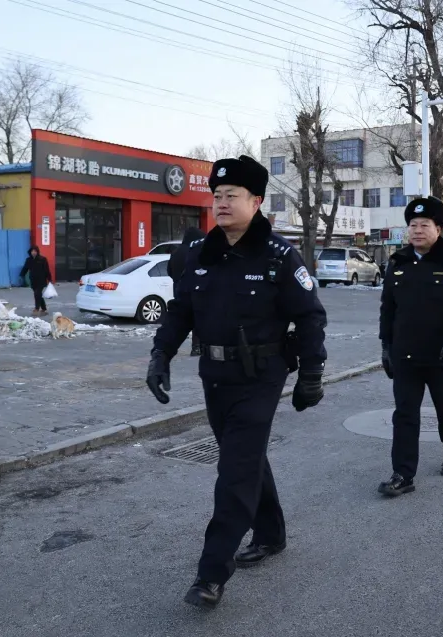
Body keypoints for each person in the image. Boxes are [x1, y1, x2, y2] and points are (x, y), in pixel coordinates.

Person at [147, 155, 327, 609]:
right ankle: (271, 533)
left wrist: (312, 373)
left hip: (261, 377)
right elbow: (181, 312)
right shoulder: (200, 255)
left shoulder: (278, 256)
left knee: (234, 472)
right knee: (245, 459)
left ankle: (211, 573)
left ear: (256, 201)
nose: (222, 203)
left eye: (232, 195)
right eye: (217, 195)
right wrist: (160, 355)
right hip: (215, 377)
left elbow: (310, 317)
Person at [377, 196, 443, 497]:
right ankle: (403, 473)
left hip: (441, 353)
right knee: (404, 413)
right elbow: (388, 308)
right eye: (413, 225)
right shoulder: (397, 262)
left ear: (439, 229)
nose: (417, 230)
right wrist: (385, 345)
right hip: (404, 353)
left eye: (424, 225)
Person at [19, 245, 53, 316]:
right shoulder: (28, 260)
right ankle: (44, 308)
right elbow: (25, 268)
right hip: (33, 280)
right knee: (38, 294)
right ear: (30, 252)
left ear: (37, 252)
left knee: (37, 293)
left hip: (41, 280)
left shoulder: (43, 259)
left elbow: (46, 270)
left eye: (35, 251)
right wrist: (21, 275)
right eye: (32, 251)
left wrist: (49, 279)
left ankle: (37, 308)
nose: (33, 252)